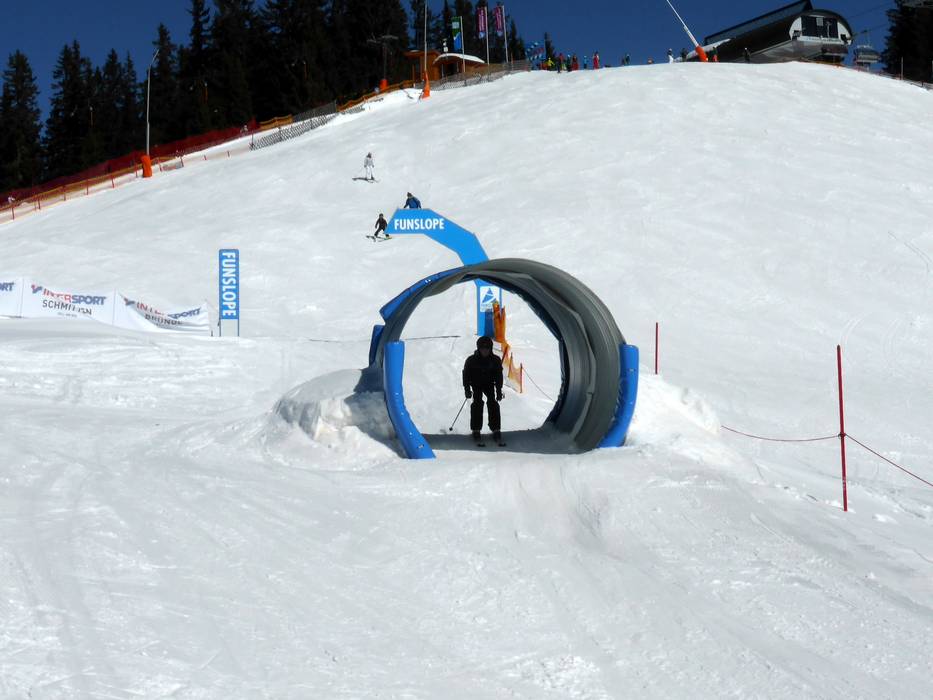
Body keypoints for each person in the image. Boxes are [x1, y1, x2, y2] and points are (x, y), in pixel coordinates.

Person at [462, 335, 504, 443]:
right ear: (479, 348)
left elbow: (499, 377)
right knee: (477, 403)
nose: (485, 351)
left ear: (490, 349)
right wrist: (467, 389)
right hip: (476, 384)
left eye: (487, 348)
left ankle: (496, 429)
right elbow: (466, 375)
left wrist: (498, 391)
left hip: (489, 384)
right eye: (482, 348)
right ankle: (476, 429)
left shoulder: (495, 360)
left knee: (493, 403)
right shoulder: (471, 360)